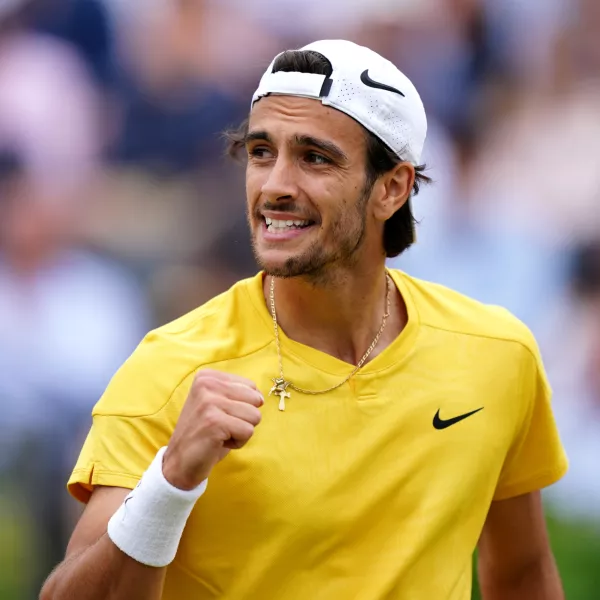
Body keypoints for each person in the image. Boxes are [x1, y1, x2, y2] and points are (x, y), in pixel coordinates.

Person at [41, 40, 568, 600]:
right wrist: (168, 484)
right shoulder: (171, 369)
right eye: (262, 152)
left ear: (392, 188)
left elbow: (522, 573)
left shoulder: (497, 353)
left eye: (314, 157)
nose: (274, 186)